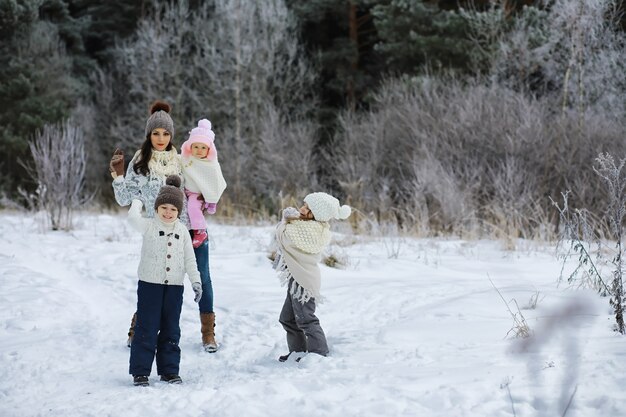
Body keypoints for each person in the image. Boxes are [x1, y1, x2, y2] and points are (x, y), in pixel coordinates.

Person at [109, 100, 219, 353]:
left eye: (166, 133)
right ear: (149, 134)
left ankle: (208, 333)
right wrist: (118, 176)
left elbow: (205, 180)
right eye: (156, 133)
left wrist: (204, 197)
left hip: (191, 229)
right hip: (159, 230)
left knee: (202, 276)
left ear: (172, 134)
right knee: (155, 278)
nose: (161, 138)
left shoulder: (182, 159)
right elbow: (125, 198)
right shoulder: (140, 160)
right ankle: (138, 327)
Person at [127, 175, 202, 386]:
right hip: (150, 285)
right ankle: (140, 372)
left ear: (179, 212)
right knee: (146, 327)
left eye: (173, 209)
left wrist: (196, 281)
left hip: (174, 288)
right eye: (164, 208)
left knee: (171, 328)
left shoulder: (183, 232)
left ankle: (169, 370)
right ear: (157, 207)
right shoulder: (149, 226)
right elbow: (132, 218)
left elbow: (190, 259)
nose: (168, 213)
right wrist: (138, 199)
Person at [272, 192, 351, 362]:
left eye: (307, 208)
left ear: (317, 214)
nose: (302, 208)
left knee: (306, 319)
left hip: (304, 283)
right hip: (297, 280)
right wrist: (288, 221)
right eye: (304, 204)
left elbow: (283, 237)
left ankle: (319, 354)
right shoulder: (303, 225)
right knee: (287, 319)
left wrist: (285, 220)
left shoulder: (311, 230)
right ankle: (298, 352)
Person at [180, 118, 227, 248]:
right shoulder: (186, 159)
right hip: (184, 190)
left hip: (197, 194)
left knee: (193, 207)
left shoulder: (211, 164)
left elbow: (216, 181)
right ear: (190, 147)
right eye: (196, 147)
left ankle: (200, 231)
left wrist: (211, 200)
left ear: (209, 149)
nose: (199, 150)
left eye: (203, 147)